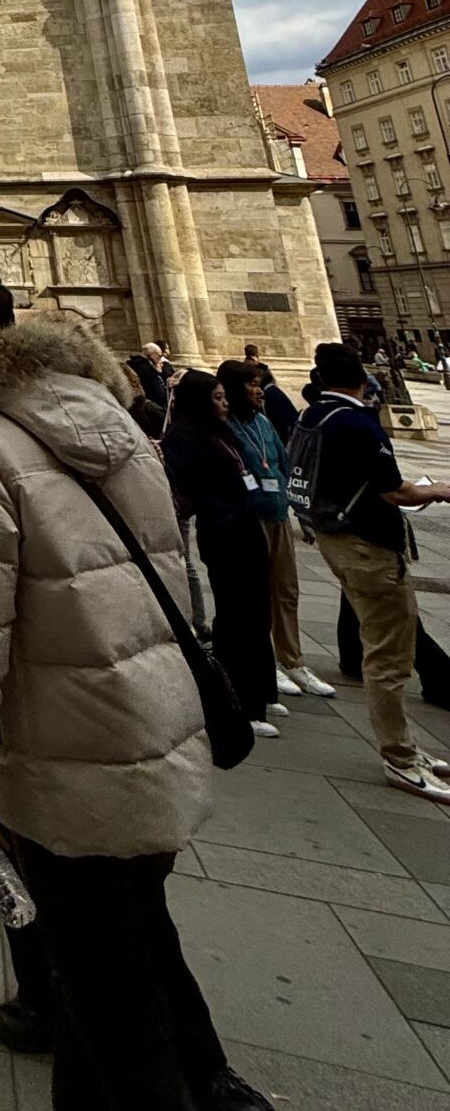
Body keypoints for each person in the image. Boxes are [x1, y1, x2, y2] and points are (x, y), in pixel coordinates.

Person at [0, 260, 272, 1111]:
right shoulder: (122, 427)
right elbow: (182, 579)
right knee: (116, 958)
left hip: (65, 764)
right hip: (155, 740)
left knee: (126, 1023)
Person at [291, 340, 450, 801]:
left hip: (333, 537)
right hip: (369, 547)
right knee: (389, 658)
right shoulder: (357, 422)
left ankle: (405, 748)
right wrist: (437, 490)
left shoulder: (310, 417)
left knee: (382, 647)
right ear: (363, 382)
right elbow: (394, 491)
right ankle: (400, 757)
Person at [160, 369, 278, 737]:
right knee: (236, 614)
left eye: (224, 396)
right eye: (217, 398)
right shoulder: (185, 436)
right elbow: (190, 487)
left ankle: (261, 691)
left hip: (246, 526)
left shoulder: (219, 431)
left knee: (258, 610)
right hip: (224, 531)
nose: (225, 403)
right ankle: (236, 700)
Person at [222, 358, 332, 703]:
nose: (259, 390)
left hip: (277, 514)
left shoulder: (264, 423)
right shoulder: (223, 427)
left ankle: (292, 660)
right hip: (247, 520)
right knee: (253, 595)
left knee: (286, 589)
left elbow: (284, 466)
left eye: (259, 383)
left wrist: (301, 512)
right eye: (252, 385)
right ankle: (264, 664)